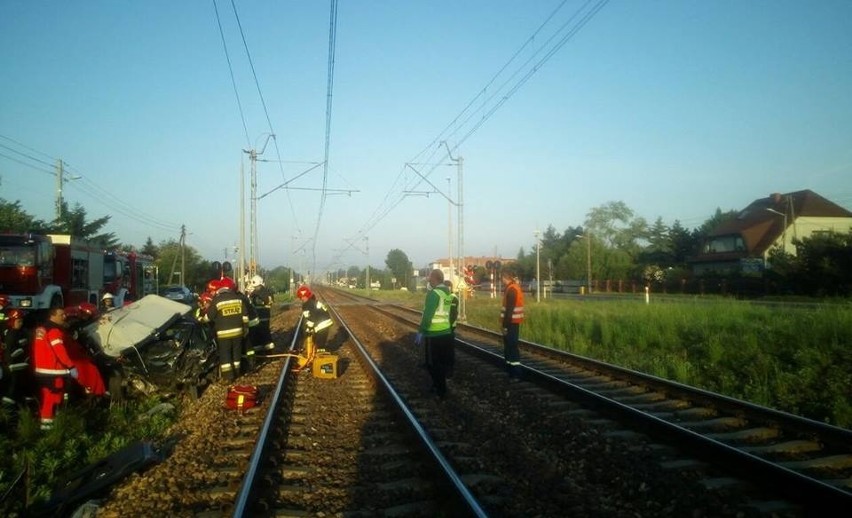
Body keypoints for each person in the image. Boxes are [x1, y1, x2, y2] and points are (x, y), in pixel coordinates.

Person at [32, 307, 78, 429]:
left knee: (46, 398)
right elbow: (59, 351)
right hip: (54, 371)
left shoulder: (41, 329)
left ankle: (46, 426)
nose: (64, 317)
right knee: (54, 399)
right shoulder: (54, 330)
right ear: (52, 316)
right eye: (61, 315)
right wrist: (71, 366)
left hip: (42, 371)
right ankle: (50, 429)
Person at [415, 269, 455, 399]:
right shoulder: (447, 293)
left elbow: (427, 316)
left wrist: (421, 332)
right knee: (441, 364)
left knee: (432, 364)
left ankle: (440, 390)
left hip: (434, 334)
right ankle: (438, 387)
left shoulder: (434, 293)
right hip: (446, 333)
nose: (429, 280)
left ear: (435, 279)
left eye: (430, 278)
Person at [206, 277, 251, 382]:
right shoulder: (238, 299)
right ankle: (237, 373)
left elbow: (209, 317)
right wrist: (245, 328)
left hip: (223, 335)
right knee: (236, 353)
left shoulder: (217, 300)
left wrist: (201, 319)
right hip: (238, 332)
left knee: (225, 355)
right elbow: (245, 316)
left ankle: (228, 377)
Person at [2, 309, 32, 408]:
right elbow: (10, 353)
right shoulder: (11, 334)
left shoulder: (22, 332)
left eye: (21, 321)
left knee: (21, 387)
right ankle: (8, 410)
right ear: (12, 322)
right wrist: (23, 351)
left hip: (21, 366)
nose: (21, 323)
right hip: (14, 367)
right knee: (13, 387)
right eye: (18, 321)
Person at [500, 267, 525, 381]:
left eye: (501, 278)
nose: (501, 280)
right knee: (509, 348)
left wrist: (505, 327)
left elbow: (509, 310)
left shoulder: (512, 289)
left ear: (505, 277)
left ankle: (516, 373)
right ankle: (510, 371)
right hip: (512, 323)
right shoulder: (512, 288)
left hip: (511, 324)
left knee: (512, 347)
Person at [295, 285, 333, 351]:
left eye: (304, 297)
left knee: (320, 342)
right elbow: (310, 317)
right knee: (316, 338)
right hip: (321, 321)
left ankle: (320, 356)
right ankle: (316, 351)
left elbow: (311, 318)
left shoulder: (308, 305)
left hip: (323, 323)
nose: (303, 298)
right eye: (302, 297)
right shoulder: (311, 302)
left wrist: (309, 328)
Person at [248, 275, 275, 352]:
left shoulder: (255, 294)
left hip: (259, 316)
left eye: (256, 287)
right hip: (265, 315)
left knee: (258, 333)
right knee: (265, 332)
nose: (256, 288)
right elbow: (270, 302)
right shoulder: (268, 292)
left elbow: (254, 303)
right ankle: (268, 350)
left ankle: (261, 351)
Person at [444, 279, 459, 379]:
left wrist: (448, 326)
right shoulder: (447, 297)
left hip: (450, 327)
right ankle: (446, 369)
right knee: (445, 349)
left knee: (449, 350)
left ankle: (450, 370)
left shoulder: (453, 298)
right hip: (445, 327)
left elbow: (453, 314)